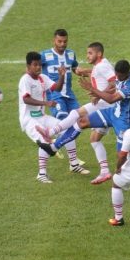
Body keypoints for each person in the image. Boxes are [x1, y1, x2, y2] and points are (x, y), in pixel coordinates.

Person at [37, 60, 130, 185]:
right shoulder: (121, 75)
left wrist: (93, 89)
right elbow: (114, 87)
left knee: (122, 156)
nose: (117, 77)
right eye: (116, 74)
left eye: (119, 75)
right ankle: (53, 147)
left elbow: (113, 99)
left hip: (124, 120)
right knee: (82, 121)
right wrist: (100, 94)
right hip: (112, 113)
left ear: (126, 73)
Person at [37, 42, 118, 184]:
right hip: (107, 106)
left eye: (90, 53)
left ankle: (50, 134)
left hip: (104, 105)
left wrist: (99, 94)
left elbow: (114, 82)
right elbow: (99, 73)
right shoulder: (100, 66)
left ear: (98, 54)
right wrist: (86, 71)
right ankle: (105, 171)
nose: (87, 55)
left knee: (75, 114)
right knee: (94, 139)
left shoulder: (102, 66)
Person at [18, 51, 89, 183]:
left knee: (67, 130)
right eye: (35, 65)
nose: (38, 67)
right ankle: (42, 174)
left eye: (39, 64)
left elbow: (57, 88)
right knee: (45, 142)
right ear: (28, 66)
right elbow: (26, 99)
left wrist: (61, 76)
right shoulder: (25, 80)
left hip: (42, 116)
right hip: (29, 120)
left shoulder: (42, 78)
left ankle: (74, 164)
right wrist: (46, 103)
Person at [40, 29, 85, 167]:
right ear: (54, 40)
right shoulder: (44, 55)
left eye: (65, 41)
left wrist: (83, 72)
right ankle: (73, 161)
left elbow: (75, 68)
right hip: (55, 95)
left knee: (81, 120)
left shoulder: (71, 54)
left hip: (69, 95)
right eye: (59, 41)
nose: (62, 44)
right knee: (65, 123)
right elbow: (33, 70)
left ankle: (54, 142)